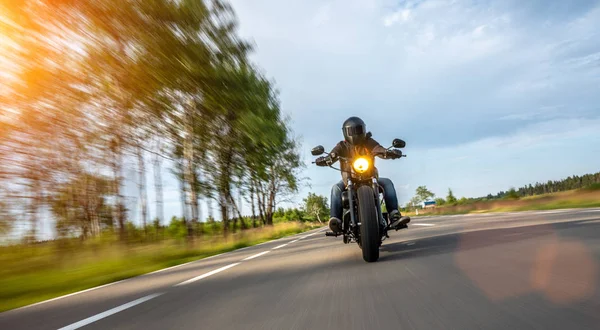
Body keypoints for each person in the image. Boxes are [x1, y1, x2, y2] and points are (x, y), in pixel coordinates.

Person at [317, 116, 410, 234]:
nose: (355, 133)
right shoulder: (341, 146)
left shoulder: (368, 142)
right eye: (351, 130)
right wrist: (326, 158)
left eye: (358, 130)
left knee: (387, 182)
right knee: (336, 188)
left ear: (363, 130)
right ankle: (336, 219)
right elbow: (333, 154)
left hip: (370, 177)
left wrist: (389, 152)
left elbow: (378, 149)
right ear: (345, 132)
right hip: (349, 179)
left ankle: (394, 215)